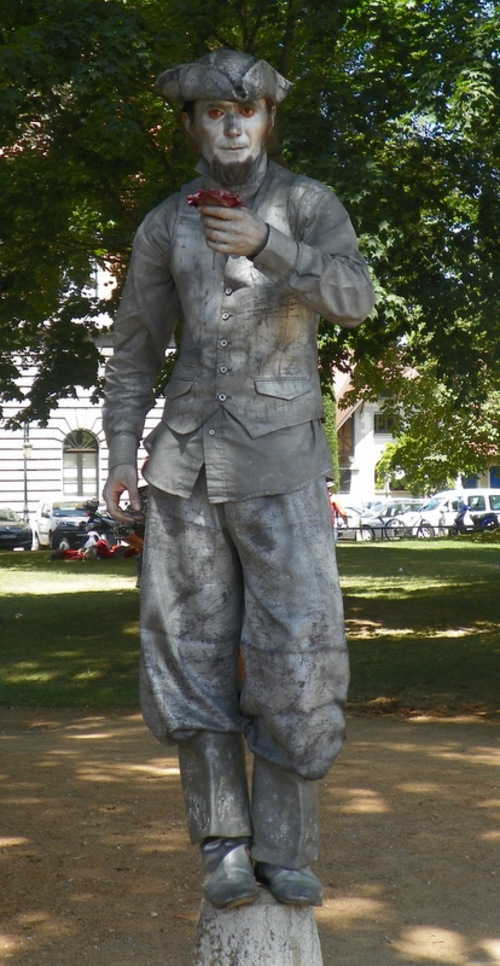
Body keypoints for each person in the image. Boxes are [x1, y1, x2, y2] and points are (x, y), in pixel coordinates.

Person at [102, 49, 375, 911]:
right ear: (189, 126)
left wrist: (271, 243)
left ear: (266, 120)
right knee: (190, 656)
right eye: (214, 112)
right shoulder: (163, 224)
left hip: (283, 465)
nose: (231, 124)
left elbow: (356, 299)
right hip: (183, 467)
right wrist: (117, 451)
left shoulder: (308, 204)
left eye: (247, 110)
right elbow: (134, 348)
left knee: (298, 655)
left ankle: (286, 847)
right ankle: (223, 843)